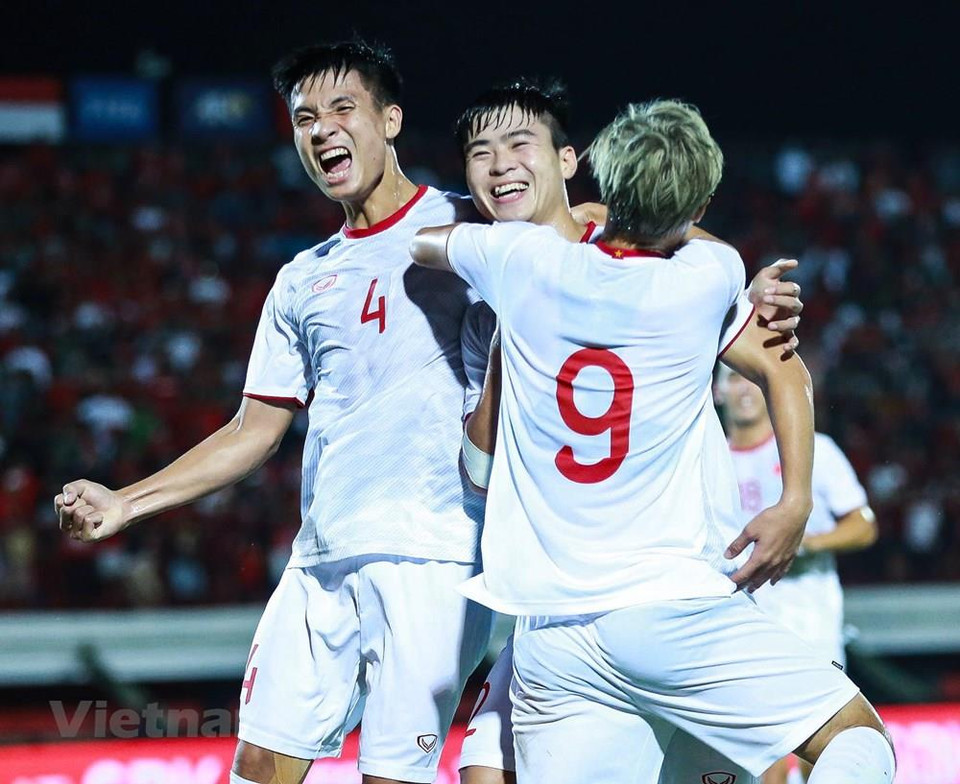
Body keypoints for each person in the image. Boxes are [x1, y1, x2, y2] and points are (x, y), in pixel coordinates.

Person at [411, 99, 895, 784]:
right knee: (859, 741)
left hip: (556, 636)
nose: (500, 165)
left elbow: (423, 242)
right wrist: (795, 502)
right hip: (672, 607)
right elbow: (785, 366)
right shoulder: (709, 272)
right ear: (697, 205)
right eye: (484, 152)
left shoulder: (515, 261)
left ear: (589, 170)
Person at [54, 39, 497, 784]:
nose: (321, 130)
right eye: (304, 118)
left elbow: (577, 227)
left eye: (342, 108)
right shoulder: (301, 279)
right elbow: (253, 429)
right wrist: (127, 503)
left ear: (390, 120)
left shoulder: (472, 233)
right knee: (258, 764)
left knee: (392, 777)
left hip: (433, 553)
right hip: (321, 559)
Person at [716, 365, 878, 784]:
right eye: (732, 378)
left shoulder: (814, 449)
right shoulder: (706, 461)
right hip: (741, 624)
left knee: (821, 751)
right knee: (761, 750)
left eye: (749, 377)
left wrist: (805, 544)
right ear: (716, 391)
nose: (743, 388)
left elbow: (863, 524)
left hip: (810, 622)